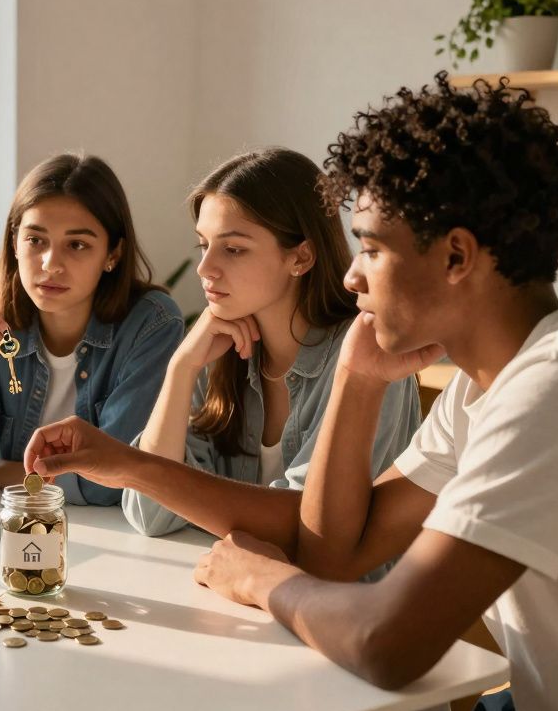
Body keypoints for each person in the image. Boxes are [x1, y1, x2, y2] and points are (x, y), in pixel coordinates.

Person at [23, 74, 558, 711]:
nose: (353, 274)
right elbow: (337, 552)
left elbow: (388, 643)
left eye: (373, 249)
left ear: (457, 257)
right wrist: (356, 382)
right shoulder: (484, 388)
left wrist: (265, 580)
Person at [126, 148, 420, 536]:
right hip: (230, 590)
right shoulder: (215, 352)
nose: (205, 268)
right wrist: (182, 369)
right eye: (203, 245)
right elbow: (151, 514)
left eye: (233, 249)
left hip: (342, 595)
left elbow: (308, 527)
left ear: (300, 257)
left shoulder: (370, 357)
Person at [0, 152, 182, 505]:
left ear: (112, 254)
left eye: (77, 245)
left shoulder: (151, 325)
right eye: (36, 240)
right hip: (15, 527)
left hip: (115, 535)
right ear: (14, 242)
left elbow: (115, 482)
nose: (51, 265)